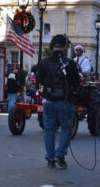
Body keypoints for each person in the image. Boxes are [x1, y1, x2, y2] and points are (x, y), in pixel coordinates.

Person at [38, 34, 79, 169]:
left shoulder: (44, 62)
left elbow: (40, 80)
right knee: (66, 128)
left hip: (48, 101)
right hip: (64, 101)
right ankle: (60, 154)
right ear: (64, 47)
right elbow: (76, 83)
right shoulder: (70, 63)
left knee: (49, 130)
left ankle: (50, 158)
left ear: (52, 47)